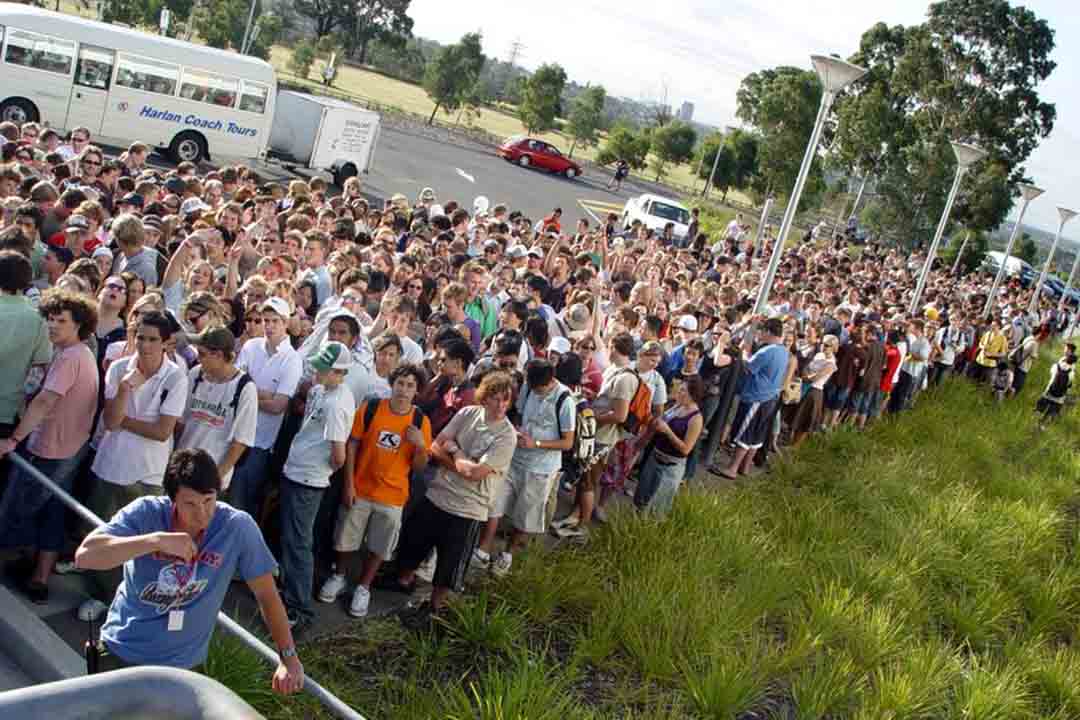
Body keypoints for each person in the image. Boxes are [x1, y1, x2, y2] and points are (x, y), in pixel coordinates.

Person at [73, 449, 304, 694]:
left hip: (182, 668)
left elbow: (267, 596)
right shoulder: (146, 512)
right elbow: (85, 556)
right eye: (190, 504)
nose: (202, 514)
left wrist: (288, 658)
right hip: (123, 653)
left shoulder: (237, 527)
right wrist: (155, 541)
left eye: (209, 501)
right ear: (172, 499)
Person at [382, 371, 517, 626]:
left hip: (468, 508)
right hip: (438, 494)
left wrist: (453, 450)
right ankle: (403, 581)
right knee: (414, 542)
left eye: (506, 400)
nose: (501, 406)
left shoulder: (506, 436)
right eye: (495, 399)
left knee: (449, 565)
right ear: (484, 398)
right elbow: (435, 445)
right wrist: (459, 458)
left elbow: (474, 473)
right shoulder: (468, 414)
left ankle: (433, 608)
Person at [0, 289, 99, 603]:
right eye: (51, 319)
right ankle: (37, 577)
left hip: (54, 451)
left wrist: (13, 439)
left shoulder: (71, 357)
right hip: (64, 448)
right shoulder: (72, 353)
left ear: (79, 325)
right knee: (50, 514)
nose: (53, 325)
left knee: (16, 511)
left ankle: (25, 573)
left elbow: (44, 402)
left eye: (62, 321)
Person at [319, 364, 431, 618]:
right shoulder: (370, 409)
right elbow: (352, 446)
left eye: (410, 385)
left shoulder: (420, 421)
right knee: (345, 538)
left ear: (417, 390)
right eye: (400, 383)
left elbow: (420, 467)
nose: (404, 390)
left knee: (380, 546)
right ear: (392, 384)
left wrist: (421, 446)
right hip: (360, 489)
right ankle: (339, 576)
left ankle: (364, 587)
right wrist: (348, 483)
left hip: (393, 496)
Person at [279, 342, 356, 630]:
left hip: (308, 480)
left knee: (299, 544)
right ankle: (289, 596)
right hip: (295, 472)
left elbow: (339, 455)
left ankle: (300, 610)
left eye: (323, 367)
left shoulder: (337, 403)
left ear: (339, 372)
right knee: (291, 540)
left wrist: (318, 469)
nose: (316, 370)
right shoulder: (319, 390)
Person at [474, 359, 574, 576]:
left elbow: (567, 442)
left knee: (525, 515)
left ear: (550, 382)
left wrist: (536, 443)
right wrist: (516, 430)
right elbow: (518, 414)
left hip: (541, 469)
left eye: (539, 389)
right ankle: (484, 548)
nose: (535, 392)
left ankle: (507, 555)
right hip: (515, 459)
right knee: (495, 504)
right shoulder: (528, 387)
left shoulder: (565, 401)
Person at [232, 297, 303, 519]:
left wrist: (249, 393)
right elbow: (234, 386)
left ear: (285, 323)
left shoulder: (292, 359)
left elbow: (278, 406)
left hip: (260, 443)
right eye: (265, 320)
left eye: (275, 320)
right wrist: (263, 394)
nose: (269, 326)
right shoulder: (251, 346)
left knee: (242, 503)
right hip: (233, 433)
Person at [176, 327, 258, 492]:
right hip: (182, 471)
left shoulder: (245, 388)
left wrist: (215, 479)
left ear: (219, 355)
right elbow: (181, 422)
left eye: (203, 354)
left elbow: (240, 442)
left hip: (210, 478)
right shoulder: (195, 375)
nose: (198, 359)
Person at [716, 318, 788, 479]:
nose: (760, 334)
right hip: (770, 398)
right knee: (757, 435)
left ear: (769, 332)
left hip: (757, 397)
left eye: (762, 330)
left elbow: (748, 366)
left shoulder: (767, 351)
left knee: (745, 434)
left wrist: (744, 353)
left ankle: (732, 468)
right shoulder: (783, 350)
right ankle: (745, 467)